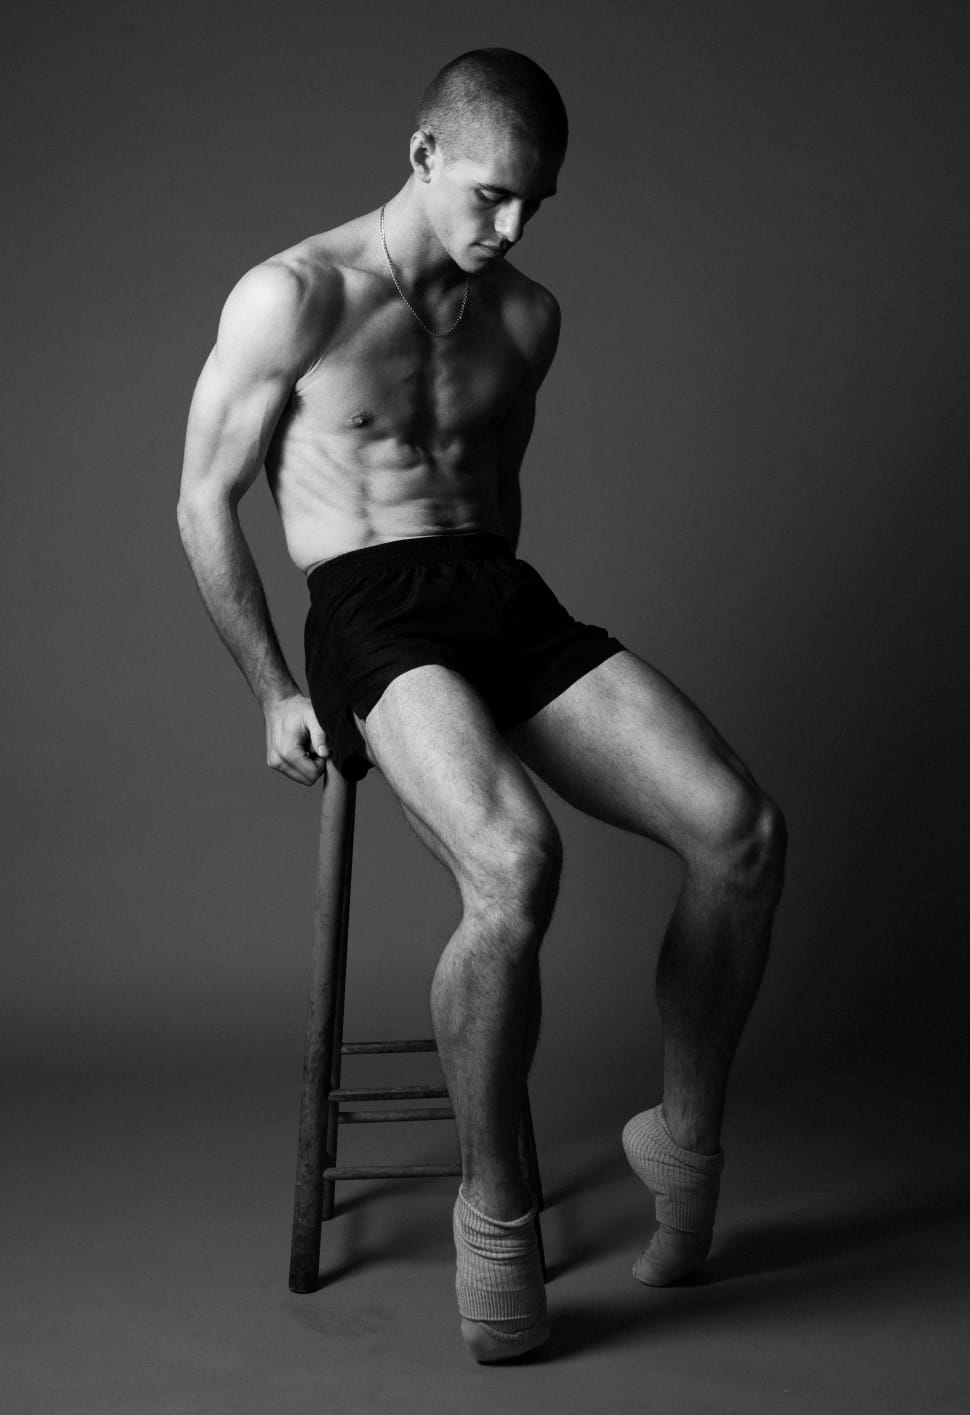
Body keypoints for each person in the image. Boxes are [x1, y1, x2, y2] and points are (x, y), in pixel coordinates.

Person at [177, 47, 786, 1363]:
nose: (511, 228)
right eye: (491, 195)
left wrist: (504, 681)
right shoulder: (295, 297)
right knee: (515, 863)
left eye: (535, 204)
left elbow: (492, 506)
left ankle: (683, 1136)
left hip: (499, 599)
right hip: (368, 609)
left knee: (742, 834)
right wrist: (274, 689)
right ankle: (494, 1201)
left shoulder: (526, 318)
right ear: (424, 155)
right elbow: (201, 502)